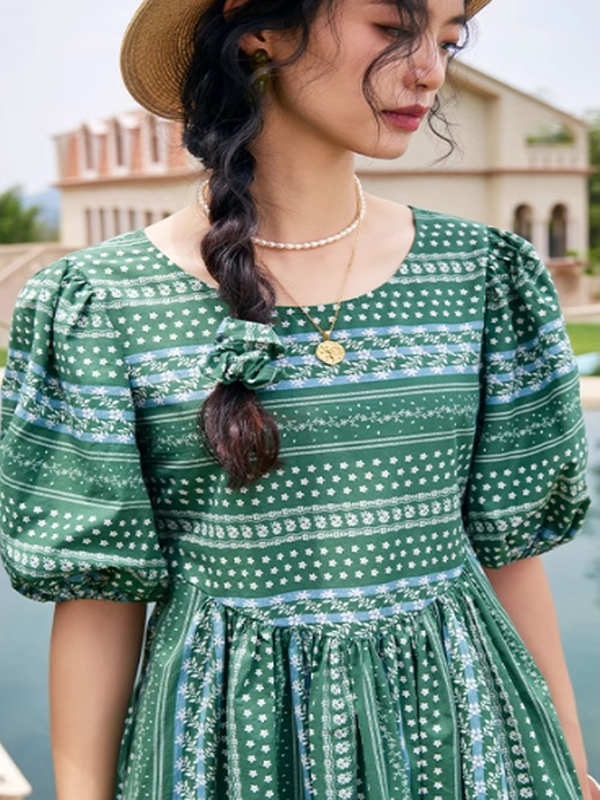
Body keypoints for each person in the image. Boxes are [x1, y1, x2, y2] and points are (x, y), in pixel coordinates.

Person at [0, 0, 597, 798]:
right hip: (226, 752)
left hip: (471, 739)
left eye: (448, 41)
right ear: (260, 29)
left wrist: (566, 759)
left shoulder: (484, 276)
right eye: (394, 29)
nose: (430, 70)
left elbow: (509, 557)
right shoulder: (102, 302)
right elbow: (99, 600)